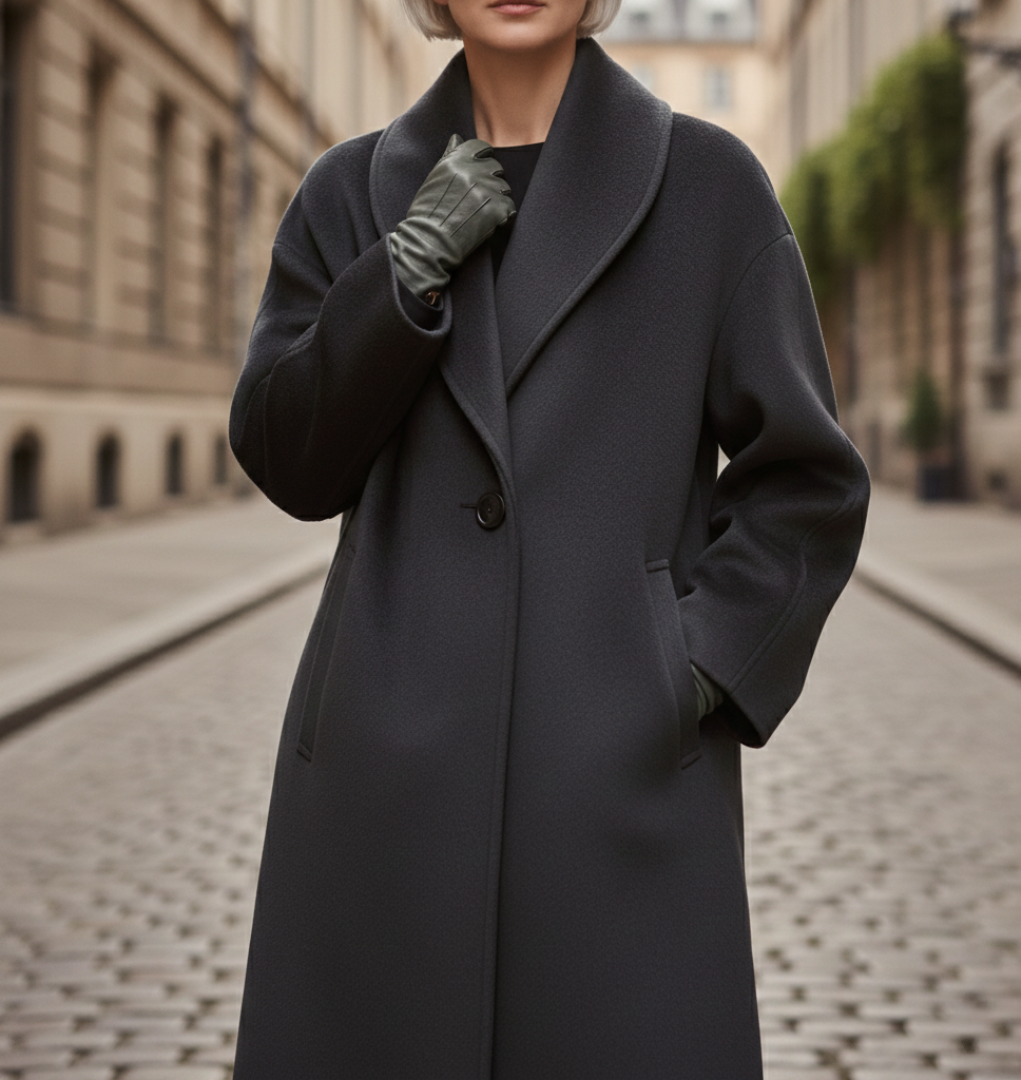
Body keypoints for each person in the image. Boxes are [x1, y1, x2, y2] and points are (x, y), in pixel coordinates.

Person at [227, 0, 871, 1073]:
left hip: (618, 788)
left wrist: (690, 668)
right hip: (384, 785)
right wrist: (404, 270)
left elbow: (805, 481)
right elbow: (288, 457)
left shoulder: (709, 188)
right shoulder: (348, 193)